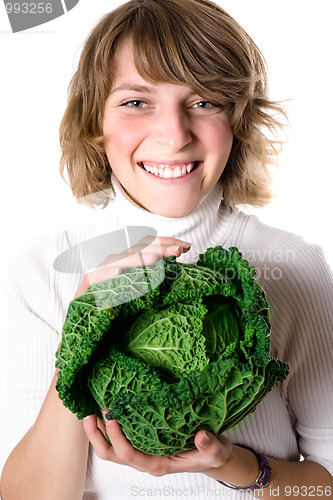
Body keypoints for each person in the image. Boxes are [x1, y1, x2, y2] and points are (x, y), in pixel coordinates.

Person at [1, 0, 332, 498]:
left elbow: (325, 487)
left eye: (204, 102)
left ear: (237, 121)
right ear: (96, 121)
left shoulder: (294, 267)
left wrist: (235, 467)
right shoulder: (45, 267)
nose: (174, 136)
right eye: (137, 102)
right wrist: (85, 318)